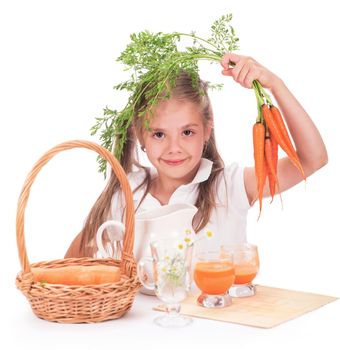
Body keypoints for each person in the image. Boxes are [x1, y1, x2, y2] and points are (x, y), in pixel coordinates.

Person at [65, 53, 328, 259]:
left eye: (187, 132)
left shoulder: (230, 186)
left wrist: (276, 85)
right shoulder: (126, 191)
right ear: (140, 134)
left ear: (207, 129)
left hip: (219, 326)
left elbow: (312, 159)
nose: (174, 147)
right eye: (159, 134)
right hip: (145, 328)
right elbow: (70, 266)